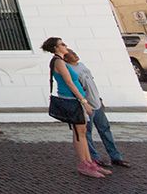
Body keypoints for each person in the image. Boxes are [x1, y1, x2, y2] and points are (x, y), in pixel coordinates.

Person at [41, 37, 106, 179]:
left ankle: (89, 162)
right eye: (62, 44)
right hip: (72, 100)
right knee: (79, 133)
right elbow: (70, 83)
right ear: (56, 48)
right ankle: (84, 164)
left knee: (81, 132)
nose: (65, 46)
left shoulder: (61, 61)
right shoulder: (58, 62)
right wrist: (83, 101)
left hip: (75, 100)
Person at [64, 49, 130, 169]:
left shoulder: (82, 65)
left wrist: (99, 99)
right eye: (71, 54)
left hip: (96, 103)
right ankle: (95, 158)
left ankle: (115, 157)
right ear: (66, 58)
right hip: (86, 105)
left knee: (105, 129)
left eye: (74, 52)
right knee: (87, 133)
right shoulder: (69, 70)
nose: (75, 54)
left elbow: (91, 83)